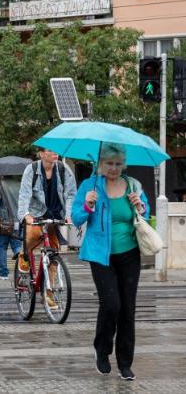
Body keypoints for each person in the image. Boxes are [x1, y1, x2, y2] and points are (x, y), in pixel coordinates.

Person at [72, 143, 147, 381]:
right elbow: (76, 218)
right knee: (111, 305)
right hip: (100, 254)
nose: (113, 168)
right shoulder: (90, 186)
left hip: (130, 253)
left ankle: (125, 363)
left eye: (118, 164)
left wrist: (140, 206)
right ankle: (102, 350)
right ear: (100, 164)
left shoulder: (133, 185)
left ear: (123, 165)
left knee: (127, 309)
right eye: (109, 164)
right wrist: (88, 205)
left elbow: (144, 216)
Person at [17, 148, 77, 308]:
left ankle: (48, 294)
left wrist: (69, 215)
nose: (55, 153)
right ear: (42, 154)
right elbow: (24, 194)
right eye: (50, 150)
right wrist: (26, 215)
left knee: (53, 253)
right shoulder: (32, 169)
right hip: (36, 212)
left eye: (56, 151)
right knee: (33, 234)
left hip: (55, 213)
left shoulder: (63, 169)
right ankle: (24, 254)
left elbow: (71, 194)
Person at [0, 176, 23, 280]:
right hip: (18, 221)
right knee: (17, 246)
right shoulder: (20, 184)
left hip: (4, 222)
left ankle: (3, 273)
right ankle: (22, 271)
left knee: (2, 247)